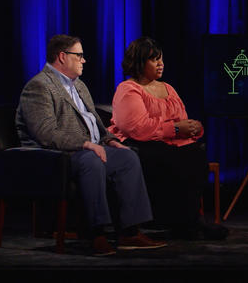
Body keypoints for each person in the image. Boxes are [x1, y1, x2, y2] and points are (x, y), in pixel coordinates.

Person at [16, 34, 167, 256]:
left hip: (88, 149)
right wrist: (86, 144)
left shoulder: (79, 86)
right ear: (62, 56)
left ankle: (130, 233)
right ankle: (96, 234)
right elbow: (46, 133)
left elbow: (95, 122)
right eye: (79, 56)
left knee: (128, 157)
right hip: (55, 156)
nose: (84, 60)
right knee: (92, 161)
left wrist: (110, 141)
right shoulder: (39, 87)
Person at [108, 36, 228, 240]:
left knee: (196, 153)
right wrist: (174, 128)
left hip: (170, 141)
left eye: (161, 59)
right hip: (139, 143)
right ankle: (180, 222)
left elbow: (181, 119)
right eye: (154, 59)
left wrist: (193, 128)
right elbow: (136, 128)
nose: (161, 64)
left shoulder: (168, 88)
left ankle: (191, 220)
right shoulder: (128, 89)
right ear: (139, 63)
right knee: (172, 158)